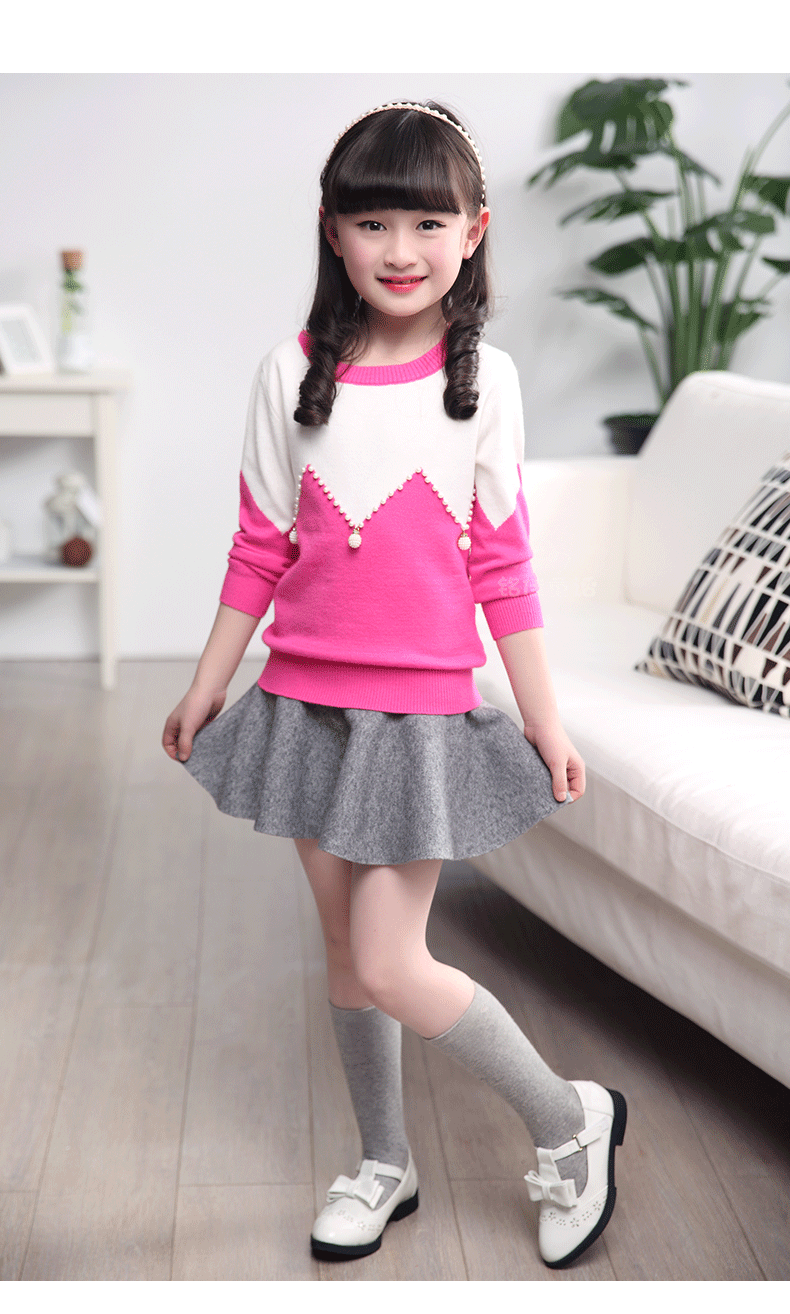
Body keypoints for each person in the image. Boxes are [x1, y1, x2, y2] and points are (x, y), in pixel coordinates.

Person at [162, 100, 626, 1270]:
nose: (400, 249)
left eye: (426, 222)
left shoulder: (487, 383)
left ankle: (570, 1121)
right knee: (343, 953)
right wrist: (208, 685)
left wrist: (544, 722)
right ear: (332, 231)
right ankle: (385, 1161)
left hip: (416, 720)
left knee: (386, 959)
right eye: (372, 223)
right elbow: (258, 547)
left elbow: (502, 567)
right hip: (301, 709)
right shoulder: (289, 372)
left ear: (474, 230)